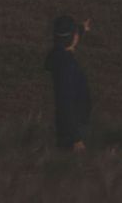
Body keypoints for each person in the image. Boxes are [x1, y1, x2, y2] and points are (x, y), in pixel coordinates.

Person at [44, 15, 92, 151]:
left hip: (69, 127)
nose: (77, 36)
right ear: (71, 38)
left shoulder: (57, 55)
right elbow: (65, 104)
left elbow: (65, 38)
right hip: (74, 130)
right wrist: (76, 139)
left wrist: (82, 28)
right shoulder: (67, 66)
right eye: (75, 33)